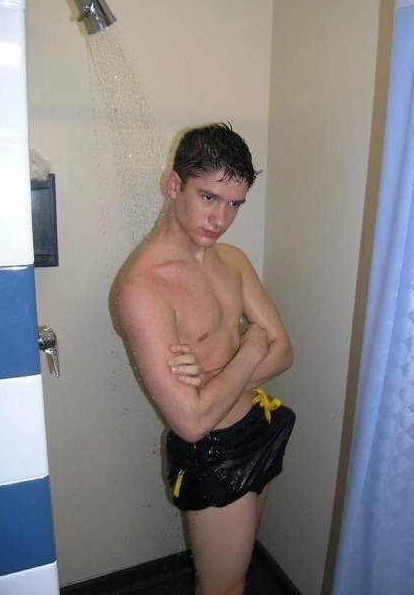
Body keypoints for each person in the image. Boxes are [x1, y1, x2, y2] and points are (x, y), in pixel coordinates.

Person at [115, 123, 295, 595]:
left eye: (235, 204)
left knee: (238, 574)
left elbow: (285, 351)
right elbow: (192, 422)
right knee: (222, 589)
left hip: (258, 426)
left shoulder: (232, 260)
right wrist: (250, 347)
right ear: (174, 184)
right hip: (213, 453)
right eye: (209, 197)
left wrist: (214, 376)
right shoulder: (142, 289)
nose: (221, 218)